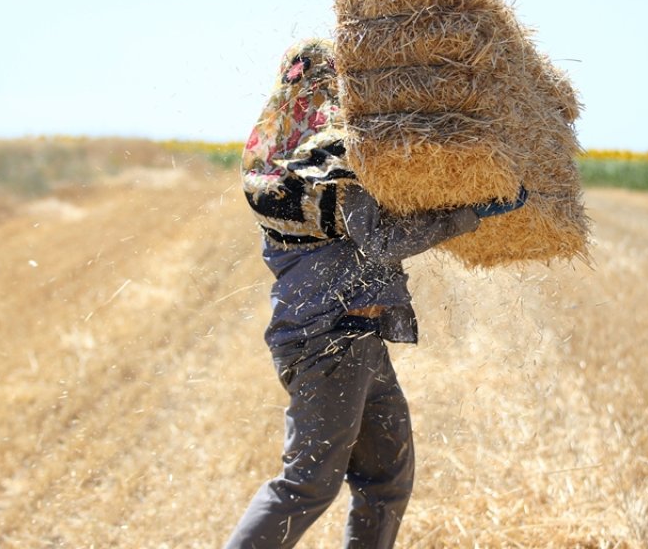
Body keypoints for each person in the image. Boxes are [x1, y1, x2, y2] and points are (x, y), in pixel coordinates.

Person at [225, 38, 525, 548]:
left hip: (353, 340)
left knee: (386, 480)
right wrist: (469, 214)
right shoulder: (330, 163)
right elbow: (383, 240)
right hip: (330, 343)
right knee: (308, 484)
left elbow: (361, 236)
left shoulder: (277, 172)